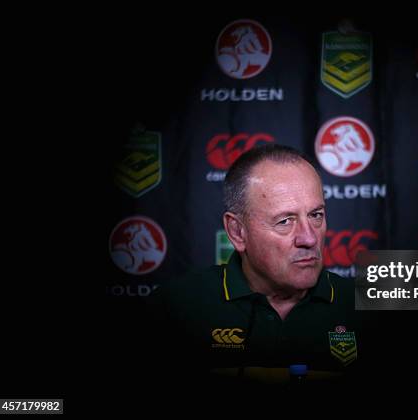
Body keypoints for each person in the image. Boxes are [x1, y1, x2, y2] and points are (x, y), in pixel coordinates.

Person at [146, 144, 361, 387]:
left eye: (316, 215)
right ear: (237, 232)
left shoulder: (374, 301)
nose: (309, 238)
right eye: (285, 221)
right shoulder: (174, 308)